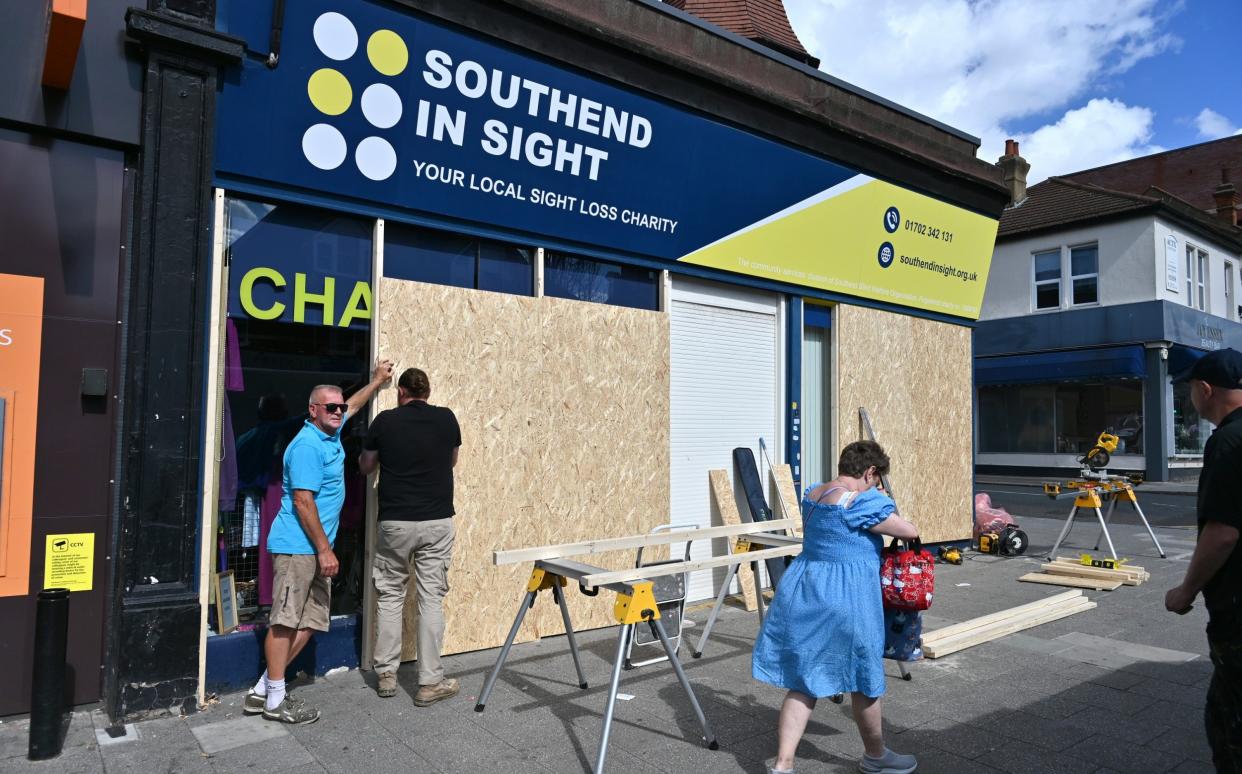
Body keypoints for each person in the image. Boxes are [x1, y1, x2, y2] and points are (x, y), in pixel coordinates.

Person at [752, 440, 920, 774]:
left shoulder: (813, 495)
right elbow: (909, 531)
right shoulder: (861, 502)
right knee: (864, 677)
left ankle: (783, 764)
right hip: (847, 598)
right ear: (870, 472)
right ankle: (875, 756)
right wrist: (880, 496)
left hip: (804, 590)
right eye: (876, 478)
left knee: (804, 681)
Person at [244, 359, 394, 724]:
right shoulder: (308, 446)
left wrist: (375, 382)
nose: (340, 412)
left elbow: (354, 405)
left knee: (311, 620)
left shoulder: (330, 432)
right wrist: (325, 549)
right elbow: (302, 501)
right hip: (299, 547)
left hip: (314, 548)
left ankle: (264, 689)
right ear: (312, 411)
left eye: (340, 407)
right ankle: (275, 700)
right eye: (331, 407)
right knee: (284, 621)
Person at [359, 367, 462, 706]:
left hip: (396, 522)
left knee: (390, 595)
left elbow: (367, 466)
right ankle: (430, 683)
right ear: (427, 392)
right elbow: (451, 461)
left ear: (401, 391)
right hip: (436, 520)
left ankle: (386, 674)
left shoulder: (385, 422)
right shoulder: (447, 419)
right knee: (430, 598)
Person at [1164, 347, 1242, 771]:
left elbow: (1223, 533)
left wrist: (1185, 590)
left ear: (1205, 389)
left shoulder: (1228, 442)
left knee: (1229, 729)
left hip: (1238, 612)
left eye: (1190, 389)